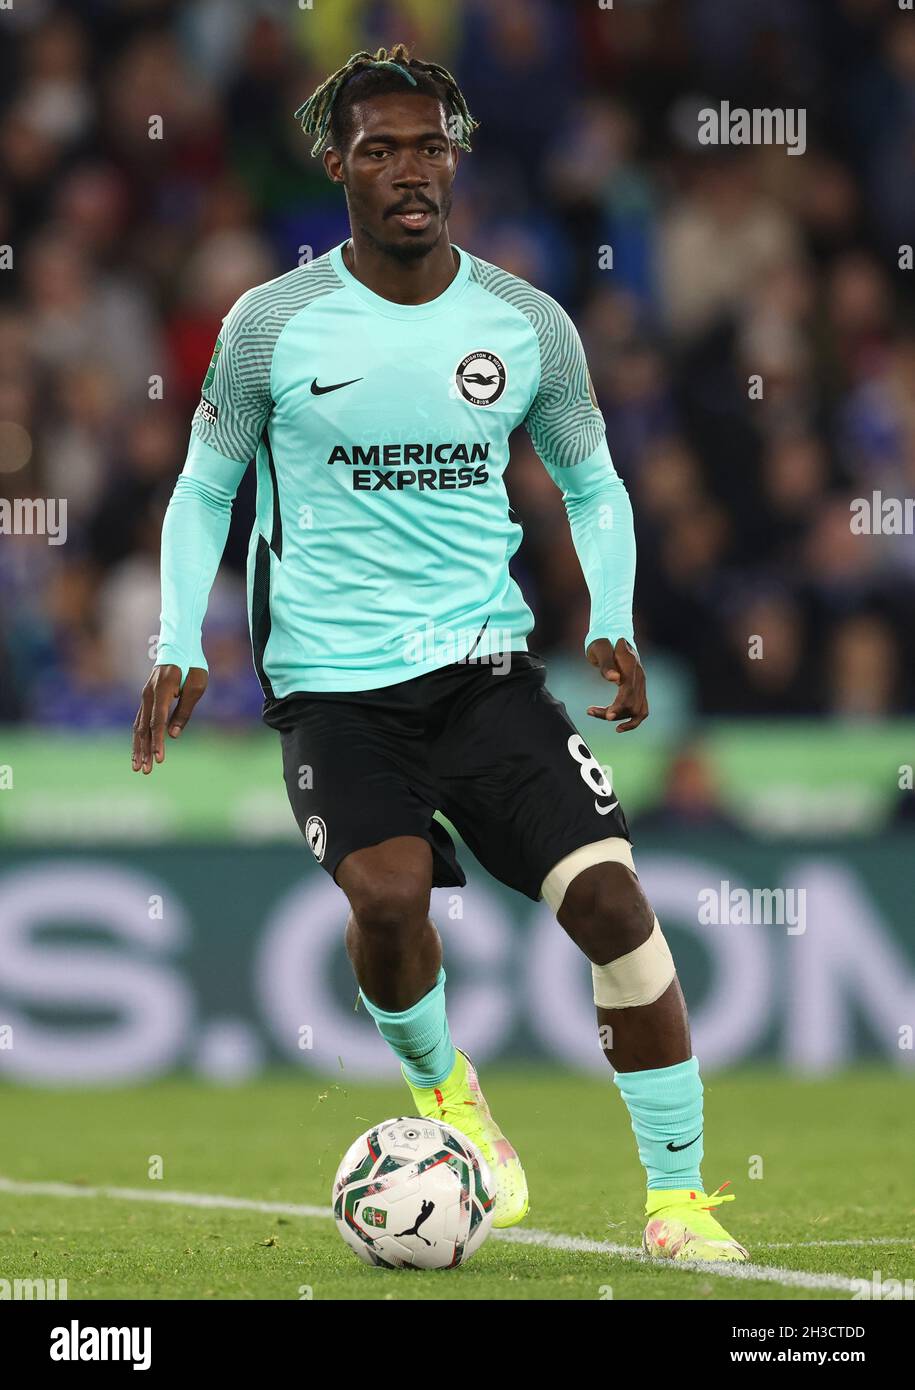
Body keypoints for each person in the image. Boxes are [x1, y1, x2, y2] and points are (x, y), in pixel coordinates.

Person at [131, 43, 746, 1263]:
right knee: (390, 897)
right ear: (338, 167)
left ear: (453, 156)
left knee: (617, 904)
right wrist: (172, 634)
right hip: (332, 691)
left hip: (485, 676)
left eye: (428, 145)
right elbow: (204, 488)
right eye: (380, 150)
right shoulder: (271, 325)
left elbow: (594, 482)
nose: (409, 170)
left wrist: (612, 616)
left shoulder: (526, 324)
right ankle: (448, 1094)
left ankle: (679, 1201)